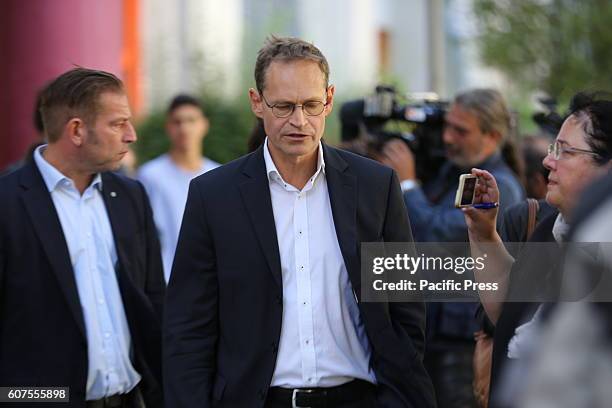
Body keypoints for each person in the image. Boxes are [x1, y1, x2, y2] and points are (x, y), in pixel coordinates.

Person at [164, 36, 435, 408]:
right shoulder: (213, 197)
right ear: (256, 103)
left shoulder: (375, 186)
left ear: (329, 99)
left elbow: (406, 307)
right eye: (284, 106)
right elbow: (188, 328)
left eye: (310, 104)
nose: (299, 121)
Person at [0, 68, 165, 408]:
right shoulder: (7, 203)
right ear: (76, 130)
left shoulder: (131, 196)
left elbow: (153, 300)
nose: (131, 135)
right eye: (118, 123)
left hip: (131, 399)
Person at [463, 92, 612, 407]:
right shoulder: (551, 227)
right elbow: (507, 311)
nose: (548, 161)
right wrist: (483, 232)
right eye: (552, 148)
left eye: (565, 151)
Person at [382, 88, 525, 408]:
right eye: (446, 126)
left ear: (492, 135)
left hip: (461, 344)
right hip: (434, 335)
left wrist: (407, 184)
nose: (447, 138)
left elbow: (438, 236)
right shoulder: (450, 170)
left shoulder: (495, 183)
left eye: (460, 131)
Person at [138, 95, 220, 281]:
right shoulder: (150, 176)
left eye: (191, 120)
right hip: (165, 282)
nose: (184, 128)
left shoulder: (217, 175)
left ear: (204, 125)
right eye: (177, 122)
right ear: (168, 127)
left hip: (208, 283)